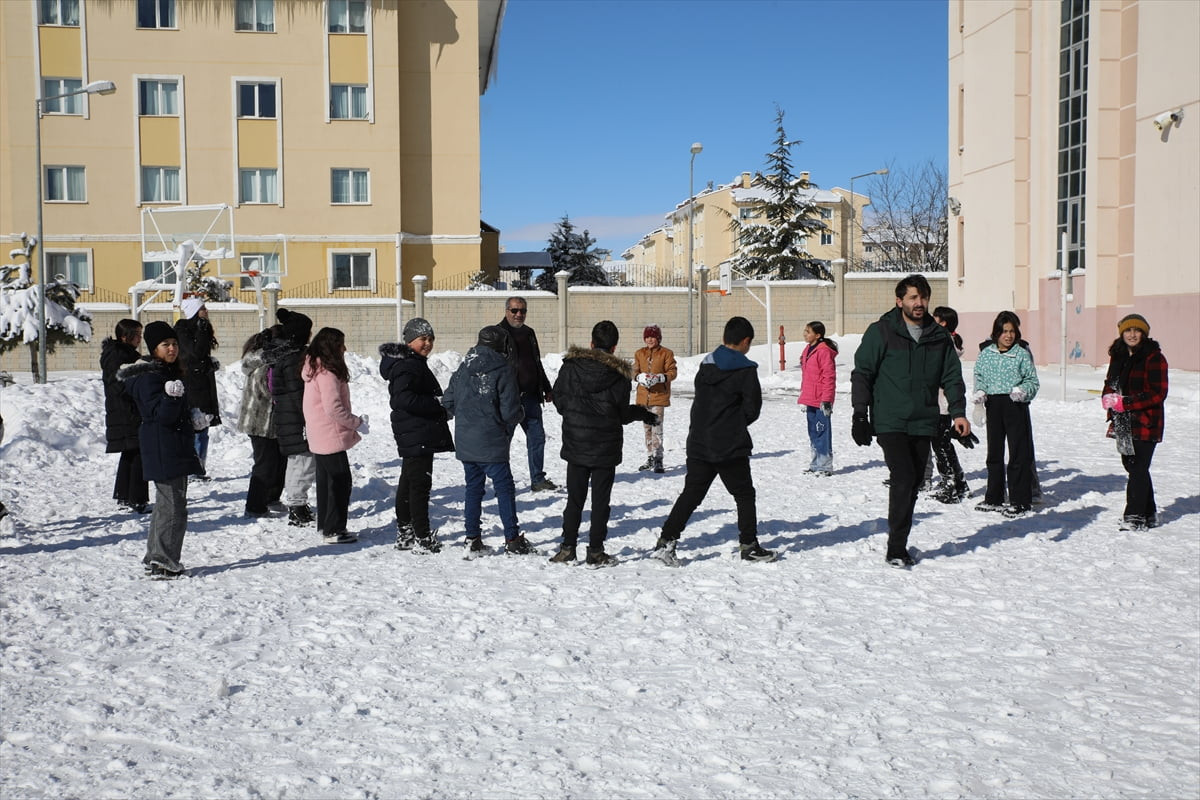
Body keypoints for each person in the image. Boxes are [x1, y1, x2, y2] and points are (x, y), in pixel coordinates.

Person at [850, 274, 971, 568]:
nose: (919, 303)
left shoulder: (938, 336)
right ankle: (896, 547)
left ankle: (899, 539)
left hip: (923, 419)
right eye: (913, 298)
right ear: (899, 300)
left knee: (915, 480)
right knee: (903, 477)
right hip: (891, 419)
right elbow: (862, 373)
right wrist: (859, 413)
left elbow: (952, 376)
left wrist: (958, 412)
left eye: (923, 297)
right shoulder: (881, 331)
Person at [650, 316, 776, 566]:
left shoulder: (706, 365)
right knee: (744, 494)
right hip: (729, 444)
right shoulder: (746, 370)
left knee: (692, 493)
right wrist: (734, 424)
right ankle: (749, 545)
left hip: (699, 440)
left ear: (723, 338)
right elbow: (752, 409)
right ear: (746, 342)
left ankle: (666, 541)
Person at [548, 320, 657, 567]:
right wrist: (640, 412)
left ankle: (567, 548)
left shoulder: (571, 367)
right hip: (604, 447)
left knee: (574, 499)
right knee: (600, 502)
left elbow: (559, 399)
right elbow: (619, 414)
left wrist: (573, 414)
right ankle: (595, 551)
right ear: (614, 347)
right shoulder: (618, 375)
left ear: (591, 343)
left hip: (577, 443)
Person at [118, 320, 203, 578]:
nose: (172, 349)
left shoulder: (164, 373)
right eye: (165, 345)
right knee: (174, 506)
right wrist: (170, 398)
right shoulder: (150, 377)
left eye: (174, 344)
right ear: (153, 348)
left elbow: (173, 415)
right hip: (164, 446)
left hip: (169, 444)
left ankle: (155, 555)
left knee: (166, 504)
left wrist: (193, 417)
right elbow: (160, 415)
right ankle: (164, 561)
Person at [442, 325, 529, 555]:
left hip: (466, 441)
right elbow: (510, 412)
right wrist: (520, 412)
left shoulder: (463, 368)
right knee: (504, 489)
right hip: (492, 442)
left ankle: (472, 539)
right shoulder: (503, 370)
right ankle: (512, 539)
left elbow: (448, 403)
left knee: (473, 489)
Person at [379, 318, 454, 554]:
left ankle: (406, 533)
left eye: (431, 339)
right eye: (423, 339)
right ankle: (422, 537)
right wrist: (437, 405)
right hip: (417, 432)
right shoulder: (407, 365)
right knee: (419, 486)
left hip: (415, 432)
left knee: (409, 482)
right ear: (410, 340)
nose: (428, 343)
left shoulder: (412, 362)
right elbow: (401, 399)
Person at [1102, 313, 1168, 531]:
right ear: (1122, 333)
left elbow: (1158, 393)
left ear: (1144, 334)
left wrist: (1127, 402)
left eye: (1136, 330)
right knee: (1131, 466)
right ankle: (1149, 512)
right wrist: (1108, 397)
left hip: (1145, 421)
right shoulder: (1118, 356)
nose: (1132, 334)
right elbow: (1111, 382)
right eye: (1128, 330)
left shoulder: (1154, 357)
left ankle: (1135, 517)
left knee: (1138, 467)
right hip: (1122, 421)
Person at [302, 327, 368, 544]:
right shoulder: (327, 373)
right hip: (329, 434)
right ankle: (334, 529)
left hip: (318, 432)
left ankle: (326, 526)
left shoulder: (315, 367)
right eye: (341, 344)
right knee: (340, 481)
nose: (345, 349)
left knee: (326, 481)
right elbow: (333, 408)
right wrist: (356, 423)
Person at [973, 311, 1039, 518]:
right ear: (996, 333)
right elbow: (979, 376)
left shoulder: (1021, 354)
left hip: (1015, 405)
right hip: (994, 405)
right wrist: (980, 395)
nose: (1008, 336)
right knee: (994, 453)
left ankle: (1021, 500)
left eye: (1012, 331)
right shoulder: (986, 354)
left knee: (1018, 453)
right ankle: (994, 497)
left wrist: (1023, 391)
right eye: (1004, 331)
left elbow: (1032, 381)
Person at [498, 296, 556, 492]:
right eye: (514, 310)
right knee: (504, 441)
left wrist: (547, 387)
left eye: (522, 311)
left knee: (537, 438)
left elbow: (536, 363)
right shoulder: (498, 334)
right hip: (509, 399)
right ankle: (502, 482)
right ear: (507, 311)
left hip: (531, 396)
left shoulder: (529, 333)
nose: (519, 314)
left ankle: (538, 479)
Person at [264, 308, 317, 527]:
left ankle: (298, 503)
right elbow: (298, 393)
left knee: (299, 461)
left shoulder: (285, 356)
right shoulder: (294, 359)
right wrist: (307, 417)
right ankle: (296, 506)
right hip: (295, 418)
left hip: (288, 417)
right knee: (302, 462)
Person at [101, 319, 150, 513]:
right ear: (124, 336)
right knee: (138, 452)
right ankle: (137, 499)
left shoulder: (121, 353)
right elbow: (119, 384)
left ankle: (124, 495)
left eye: (140, 333)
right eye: (136, 334)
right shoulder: (119, 355)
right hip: (126, 411)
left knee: (130, 451)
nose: (140, 338)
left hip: (124, 410)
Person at [238, 325, 285, 518]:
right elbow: (268, 390)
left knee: (278, 461)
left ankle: (271, 497)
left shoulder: (263, 359)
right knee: (264, 465)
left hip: (268, 422)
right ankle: (255, 506)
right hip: (260, 422)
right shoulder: (264, 362)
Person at [173, 295, 221, 479]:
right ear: (194, 312)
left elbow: (202, 356)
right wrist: (204, 363)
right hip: (192, 386)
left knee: (204, 428)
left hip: (203, 385)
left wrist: (209, 363)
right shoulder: (183, 330)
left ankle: (199, 467)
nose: (206, 312)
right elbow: (195, 354)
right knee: (196, 427)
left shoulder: (203, 328)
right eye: (203, 309)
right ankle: (193, 469)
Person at [929, 307, 971, 503]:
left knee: (941, 444)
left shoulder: (945, 342)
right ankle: (958, 480)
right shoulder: (947, 340)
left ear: (943, 322)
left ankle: (950, 483)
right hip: (941, 402)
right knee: (942, 443)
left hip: (943, 403)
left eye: (935, 318)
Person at [632, 324, 678, 473]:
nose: (650, 339)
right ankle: (650, 456)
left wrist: (660, 377)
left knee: (657, 428)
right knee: (647, 428)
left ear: (658, 338)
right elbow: (634, 371)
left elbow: (672, 372)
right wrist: (639, 376)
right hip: (643, 397)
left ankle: (659, 459)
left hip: (658, 396)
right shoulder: (639, 353)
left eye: (653, 336)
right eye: (647, 337)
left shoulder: (666, 353)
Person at [796, 320, 838, 476]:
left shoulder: (823, 351)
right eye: (805, 331)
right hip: (810, 398)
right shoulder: (808, 349)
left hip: (821, 400)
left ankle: (824, 466)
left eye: (808, 332)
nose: (805, 334)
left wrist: (826, 400)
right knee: (813, 432)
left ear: (818, 335)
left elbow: (829, 376)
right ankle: (815, 464)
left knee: (822, 432)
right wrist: (804, 397)